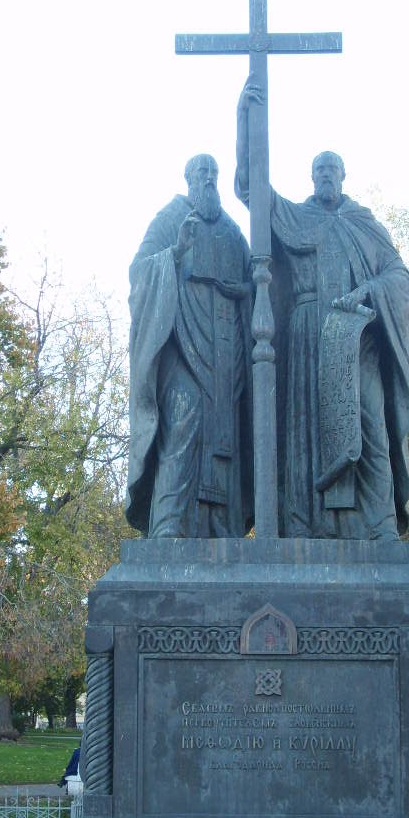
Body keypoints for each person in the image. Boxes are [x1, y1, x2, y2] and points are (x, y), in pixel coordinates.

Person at [236, 81, 409, 540]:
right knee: (304, 432)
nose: (325, 176)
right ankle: (303, 527)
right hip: (306, 335)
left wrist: (367, 292)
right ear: (312, 178)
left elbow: (400, 278)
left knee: (369, 421)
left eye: (332, 169)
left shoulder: (364, 224)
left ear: (344, 176)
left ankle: (378, 527)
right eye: (319, 170)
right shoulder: (298, 216)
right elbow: (255, 193)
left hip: (357, 339)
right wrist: (245, 122)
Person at [125, 154, 253, 538]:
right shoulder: (171, 218)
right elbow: (140, 270)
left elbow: (254, 282)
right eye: (203, 173)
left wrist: (242, 291)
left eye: (214, 173)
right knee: (185, 414)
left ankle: (220, 528)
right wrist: (176, 252)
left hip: (225, 354)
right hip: (180, 347)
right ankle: (168, 525)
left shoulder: (232, 232)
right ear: (188, 179)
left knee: (223, 434)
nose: (210, 179)